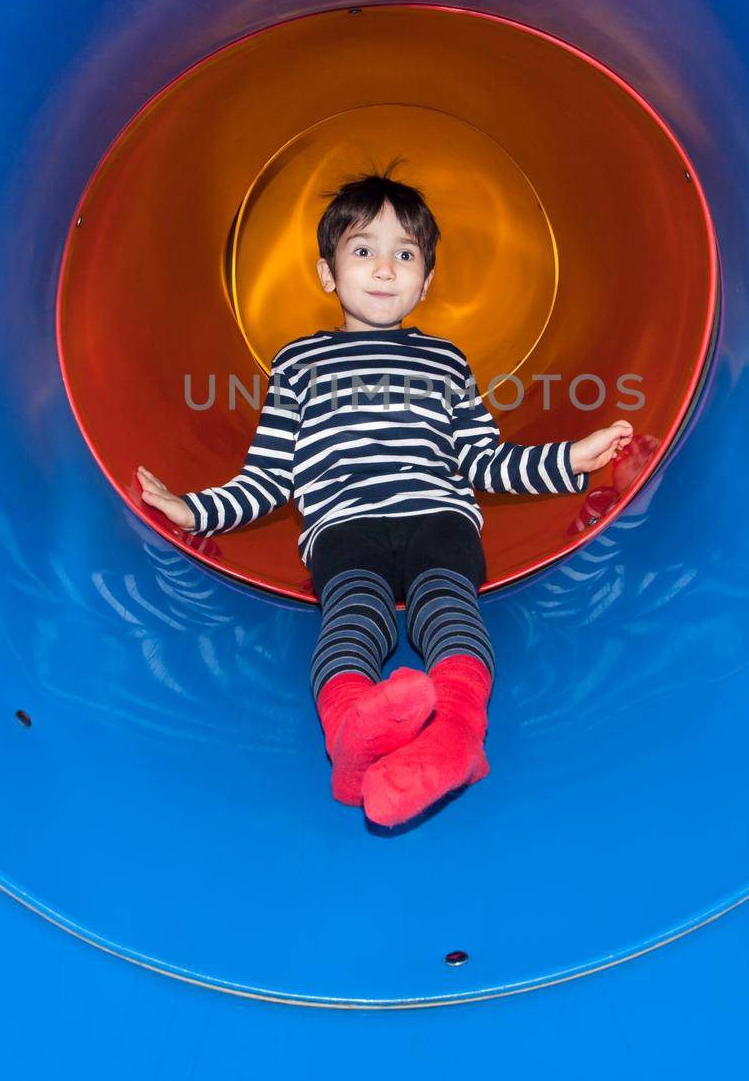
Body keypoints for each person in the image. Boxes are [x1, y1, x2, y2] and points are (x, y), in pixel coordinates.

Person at [135, 162, 632, 827]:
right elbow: (270, 475)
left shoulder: (445, 360)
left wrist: (572, 457)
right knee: (353, 611)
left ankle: (455, 735)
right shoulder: (298, 363)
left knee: (449, 604)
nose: (384, 268)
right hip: (344, 525)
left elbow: (484, 460)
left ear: (427, 281)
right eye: (363, 250)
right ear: (326, 273)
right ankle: (351, 730)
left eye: (405, 255)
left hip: (438, 514)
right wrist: (193, 509)